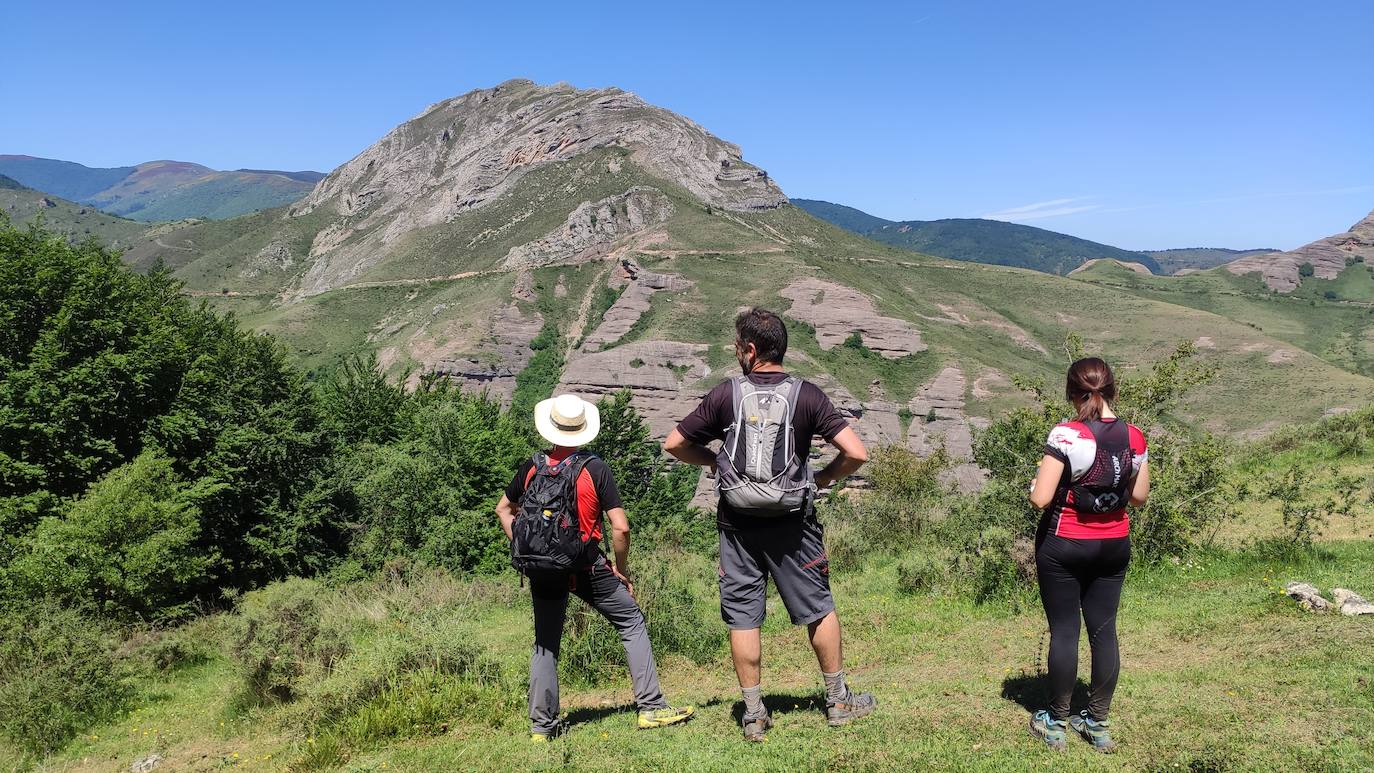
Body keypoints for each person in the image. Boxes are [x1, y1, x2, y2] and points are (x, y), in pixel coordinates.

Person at [663, 308, 875, 742]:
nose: (735, 351)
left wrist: (715, 460)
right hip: (793, 525)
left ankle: (755, 714)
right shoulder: (809, 396)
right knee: (818, 608)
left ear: (752, 350)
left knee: (744, 616)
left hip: (738, 526)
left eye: (737, 345)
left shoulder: (725, 395)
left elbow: (675, 444)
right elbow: (857, 453)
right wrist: (820, 478)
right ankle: (837, 701)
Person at [495, 393, 694, 741]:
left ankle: (542, 728)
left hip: (542, 568)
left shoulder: (532, 467)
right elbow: (621, 527)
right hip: (586, 565)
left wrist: (525, 549)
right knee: (631, 620)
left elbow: (503, 510)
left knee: (546, 642)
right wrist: (621, 568)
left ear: (551, 429)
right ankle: (651, 707)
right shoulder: (594, 468)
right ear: (583, 430)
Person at [1025, 357, 1149, 753]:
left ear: (1071, 393)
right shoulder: (1135, 437)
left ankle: (1056, 721)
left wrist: (1035, 485)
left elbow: (1041, 499)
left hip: (1064, 544)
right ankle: (1097, 723)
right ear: (1113, 389)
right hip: (1114, 545)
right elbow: (1140, 497)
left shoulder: (1066, 435)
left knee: (1065, 630)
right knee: (1104, 631)